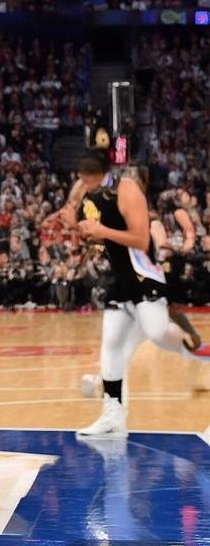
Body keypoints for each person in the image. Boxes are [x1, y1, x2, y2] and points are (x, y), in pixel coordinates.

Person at [47, 153, 209, 438]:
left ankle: (199, 350)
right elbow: (100, 244)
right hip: (120, 280)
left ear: (98, 176)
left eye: (85, 182)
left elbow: (140, 240)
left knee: (157, 333)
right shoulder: (91, 199)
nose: (82, 187)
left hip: (143, 276)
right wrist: (77, 226)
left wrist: (101, 230)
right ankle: (113, 416)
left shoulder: (127, 189)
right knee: (111, 344)